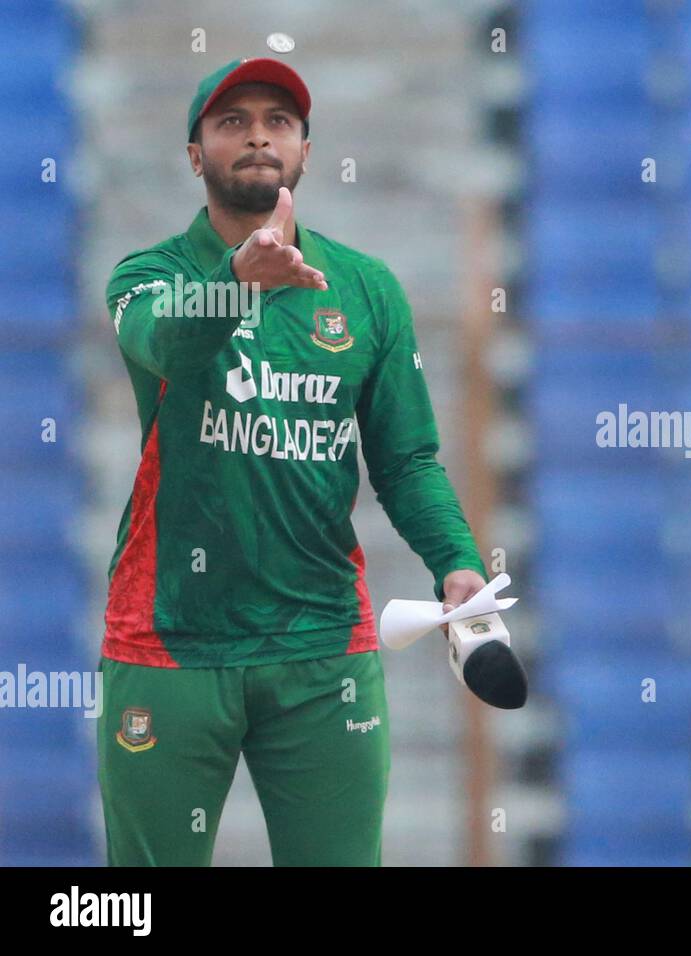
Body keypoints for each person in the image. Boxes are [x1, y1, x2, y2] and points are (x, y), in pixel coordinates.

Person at [99, 57, 488, 865]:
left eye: (278, 121)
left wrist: (455, 562)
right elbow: (164, 341)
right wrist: (238, 282)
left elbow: (407, 459)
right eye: (231, 122)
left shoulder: (367, 288)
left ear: (306, 152)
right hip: (170, 641)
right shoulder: (147, 275)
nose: (257, 136)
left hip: (322, 648)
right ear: (195, 155)